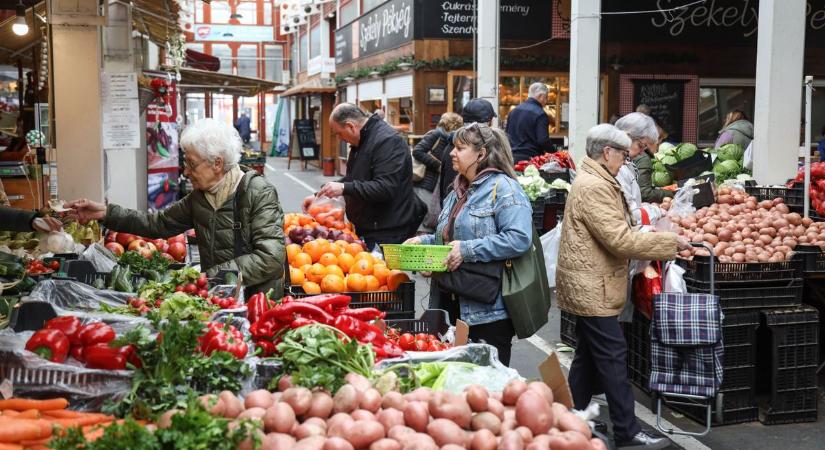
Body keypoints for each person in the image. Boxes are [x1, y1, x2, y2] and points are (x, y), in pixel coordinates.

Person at [556, 123, 690, 450]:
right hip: (593, 285)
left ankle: (570, 419)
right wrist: (671, 243)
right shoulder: (596, 186)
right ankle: (628, 432)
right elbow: (618, 239)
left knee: (588, 356)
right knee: (614, 356)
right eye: (622, 155)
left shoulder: (595, 180)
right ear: (607, 152)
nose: (625, 161)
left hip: (590, 281)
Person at [67, 118, 285, 296]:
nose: (186, 171)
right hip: (220, 297)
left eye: (191, 163)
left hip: (257, 301)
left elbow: (271, 258)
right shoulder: (200, 198)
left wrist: (209, 276)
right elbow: (158, 224)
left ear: (217, 163)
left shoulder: (258, 192)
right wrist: (106, 212)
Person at [406, 123, 532, 366]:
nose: (452, 153)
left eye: (460, 148)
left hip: (487, 311)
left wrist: (466, 250)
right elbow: (450, 237)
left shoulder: (505, 189)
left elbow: (519, 238)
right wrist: (424, 243)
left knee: (486, 385)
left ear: (481, 154)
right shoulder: (457, 190)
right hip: (450, 303)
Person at [309, 103, 425, 250]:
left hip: (386, 232)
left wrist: (344, 187)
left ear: (351, 126)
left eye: (338, 133)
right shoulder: (361, 141)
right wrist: (320, 195)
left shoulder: (387, 141)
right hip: (370, 228)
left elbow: (385, 188)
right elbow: (355, 179)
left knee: (381, 272)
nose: (339, 138)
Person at [438, 98, 497, 204]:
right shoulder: (462, 148)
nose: (453, 153)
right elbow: (451, 191)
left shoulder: (451, 144)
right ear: (489, 121)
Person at [412, 112, 463, 233]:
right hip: (427, 181)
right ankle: (421, 239)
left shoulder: (449, 139)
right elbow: (418, 151)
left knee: (432, 213)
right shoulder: (436, 135)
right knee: (426, 214)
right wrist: (438, 166)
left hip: (436, 182)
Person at [615, 112, 674, 204]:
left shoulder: (626, 165)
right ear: (627, 136)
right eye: (640, 145)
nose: (642, 152)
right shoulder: (613, 167)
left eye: (645, 147)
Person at [505, 82, 556, 163]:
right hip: (531, 159)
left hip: (512, 157)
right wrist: (555, 152)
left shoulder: (514, 111)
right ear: (540, 96)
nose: (546, 101)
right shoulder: (540, 114)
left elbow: (506, 135)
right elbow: (543, 140)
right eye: (546, 97)